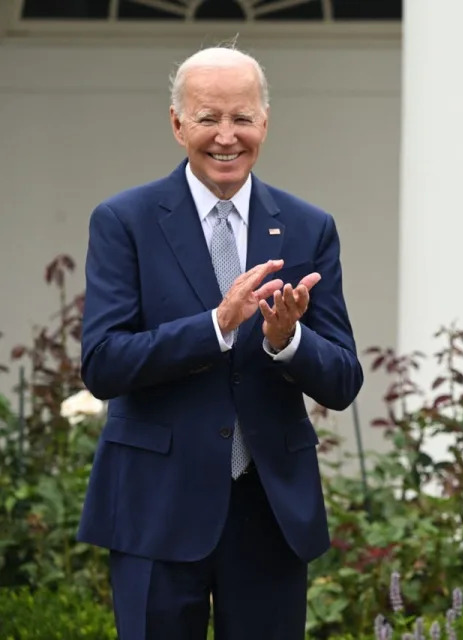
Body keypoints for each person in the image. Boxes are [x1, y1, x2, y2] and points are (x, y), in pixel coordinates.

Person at [77, 45, 363, 639]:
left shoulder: (309, 226)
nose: (226, 137)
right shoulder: (123, 220)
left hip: (269, 511)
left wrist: (287, 341)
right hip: (155, 507)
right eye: (208, 119)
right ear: (178, 124)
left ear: (265, 122)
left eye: (242, 118)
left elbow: (341, 379)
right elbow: (103, 363)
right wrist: (217, 325)